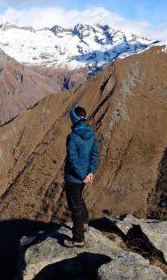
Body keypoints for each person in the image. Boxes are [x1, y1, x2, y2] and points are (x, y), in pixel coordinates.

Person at [63, 105, 99, 248]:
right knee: (79, 199)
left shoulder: (72, 137)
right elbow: (95, 154)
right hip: (85, 176)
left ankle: (78, 239)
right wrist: (90, 172)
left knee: (74, 206)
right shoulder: (92, 134)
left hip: (73, 178)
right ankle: (84, 223)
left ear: (73, 119)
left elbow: (72, 160)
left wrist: (82, 175)